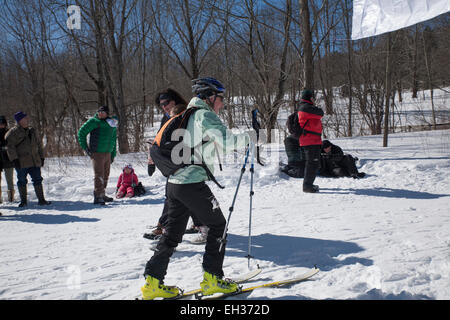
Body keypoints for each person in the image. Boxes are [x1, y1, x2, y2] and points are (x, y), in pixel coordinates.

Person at [140, 77, 250, 300]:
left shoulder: (184, 114)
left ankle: (152, 283)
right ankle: (212, 279)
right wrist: (249, 137)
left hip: (174, 184)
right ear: (210, 97)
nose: (221, 103)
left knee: (172, 235)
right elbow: (228, 143)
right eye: (220, 98)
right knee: (218, 225)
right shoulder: (203, 114)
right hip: (191, 183)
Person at [144, 89, 205, 241]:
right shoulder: (166, 117)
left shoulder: (186, 114)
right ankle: (200, 223)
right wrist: (153, 155)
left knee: (174, 196)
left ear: (175, 101)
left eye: (166, 103)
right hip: (173, 162)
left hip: (187, 161)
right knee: (187, 195)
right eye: (161, 105)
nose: (164, 107)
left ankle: (164, 227)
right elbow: (160, 138)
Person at [5, 112, 51, 207]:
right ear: (20, 120)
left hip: (34, 160)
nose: (27, 119)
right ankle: (23, 201)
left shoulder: (32, 130)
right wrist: (14, 160)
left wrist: (42, 157)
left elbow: (39, 144)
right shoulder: (13, 132)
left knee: (38, 179)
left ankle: (41, 200)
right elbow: (10, 147)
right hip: (21, 161)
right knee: (21, 180)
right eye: (25, 118)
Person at [77, 105, 117, 205]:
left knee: (106, 175)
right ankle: (98, 196)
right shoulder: (94, 122)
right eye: (99, 112)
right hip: (97, 153)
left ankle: (102, 194)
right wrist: (86, 148)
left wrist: (113, 153)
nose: (100, 114)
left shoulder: (111, 123)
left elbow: (113, 138)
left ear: (107, 113)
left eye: (103, 112)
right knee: (99, 175)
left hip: (107, 152)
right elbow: (81, 133)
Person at [297, 89, 324, 193]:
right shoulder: (306, 107)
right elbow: (320, 113)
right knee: (312, 163)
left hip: (311, 140)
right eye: (312, 97)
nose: (314, 99)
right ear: (309, 97)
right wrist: (316, 106)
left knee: (313, 163)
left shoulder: (305, 107)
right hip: (310, 140)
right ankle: (307, 186)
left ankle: (309, 184)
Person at [0, 115, 15, 203]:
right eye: (0, 124)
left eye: (3, 124)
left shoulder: (9, 133)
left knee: (9, 178)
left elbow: (13, 145)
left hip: (8, 158)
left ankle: (11, 197)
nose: (1, 125)